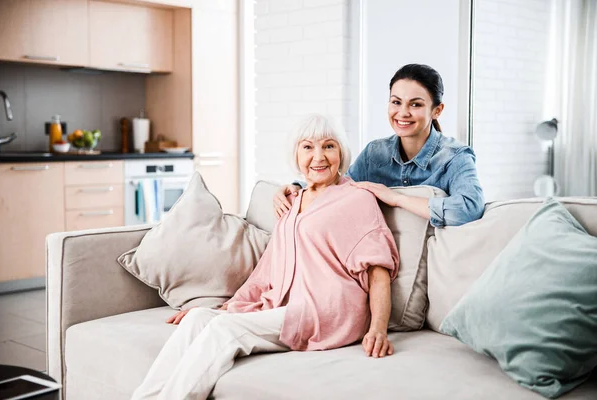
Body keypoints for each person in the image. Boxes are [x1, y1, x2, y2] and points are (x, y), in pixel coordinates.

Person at [131, 114, 400, 400]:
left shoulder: (356, 198)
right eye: (308, 147)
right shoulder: (292, 202)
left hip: (327, 310)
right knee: (198, 318)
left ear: (341, 153)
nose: (319, 156)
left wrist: (378, 329)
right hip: (287, 306)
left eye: (329, 146)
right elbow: (267, 270)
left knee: (223, 330)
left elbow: (378, 271)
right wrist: (227, 307)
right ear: (296, 155)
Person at [274, 64, 485, 228]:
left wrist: (396, 198)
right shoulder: (375, 153)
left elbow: (469, 209)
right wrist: (295, 188)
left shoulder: (455, 157)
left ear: (437, 110)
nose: (403, 112)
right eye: (396, 102)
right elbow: (338, 188)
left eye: (416, 104)